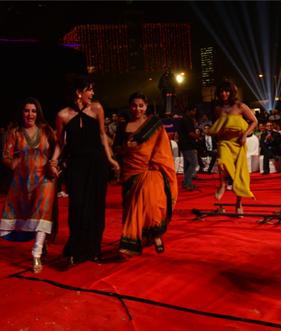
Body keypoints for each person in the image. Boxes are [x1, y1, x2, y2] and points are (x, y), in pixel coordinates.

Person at [50, 75, 119, 264]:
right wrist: (53, 161)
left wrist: (110, 158)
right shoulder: (62, 115)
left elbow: (103, 135)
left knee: (96, 208)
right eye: (89, 89)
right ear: (78, 92)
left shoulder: (97, 108)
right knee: (77, 207)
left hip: (97, 164)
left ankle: (94, 249)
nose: (93, 93)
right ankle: (75, 249)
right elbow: (59, 143)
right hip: (76, 166)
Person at [114, 92, 178, 256]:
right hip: (130, 172)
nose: (137, 109)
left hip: (150, 170)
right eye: (134, 105)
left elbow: (162, 148)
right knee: (131, 206)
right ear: (130, 107)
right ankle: (139, 237)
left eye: (141, 105)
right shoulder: (123, 127)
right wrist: (126, 148)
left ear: (146, 106)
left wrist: (154, 163)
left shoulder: (154, 124)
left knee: (151, 205)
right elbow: (117, 150)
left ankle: (153, 236)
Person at [0, 97, 58, 273]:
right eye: (26, 110)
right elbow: (6, 156)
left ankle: (36, 254)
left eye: (33, 111)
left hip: (45, 178)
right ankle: (41, 243)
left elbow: (58, 149)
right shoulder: (15, 132)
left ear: (38, 113)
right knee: (29, 213)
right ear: (21, 113)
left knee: (43, 212)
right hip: (23, 182)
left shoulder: (46, 130)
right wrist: (13, 163)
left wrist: (54, 165)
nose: (30, 114)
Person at [209, 81, 257, 214]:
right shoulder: (218, 109)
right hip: (224, 142)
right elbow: (218, 126)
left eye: (227, 91)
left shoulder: (240, 106)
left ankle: (239, 203)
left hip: (238, 143)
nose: (224, 94)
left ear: (231, 92)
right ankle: (222, 185)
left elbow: (254, 121)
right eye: (221, 91)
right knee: (222, 162)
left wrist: (245, 135)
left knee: (239, 174)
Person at [177, 106, 200, 190]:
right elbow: (190, 133)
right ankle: (187, 183)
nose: (195, 113)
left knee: (187, 164)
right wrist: (198, 136)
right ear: (190, 111)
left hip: (184, 145)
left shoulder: (182, 119)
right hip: (188, 144)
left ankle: (186, 183)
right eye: (194, 111)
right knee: (193, 164)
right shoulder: (187, 120)